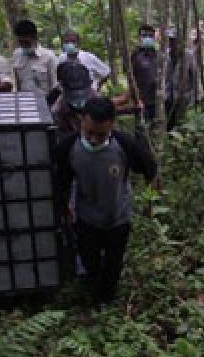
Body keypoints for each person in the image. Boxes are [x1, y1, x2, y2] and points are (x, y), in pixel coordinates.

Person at [55, 97, 158, 304]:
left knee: (113, 263)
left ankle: (105, 302)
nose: (93, 139)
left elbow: (151, 171)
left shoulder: (125, 144)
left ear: (112, 124)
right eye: (89, 132)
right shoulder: (68, 146)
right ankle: (94, 284)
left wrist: (150, 203)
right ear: (81, 121)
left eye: (100, 135)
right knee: (89, 259)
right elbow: (62, 181)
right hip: (86, 216)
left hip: (118, 216)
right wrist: (64, 206)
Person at [51, 30, 111, 135]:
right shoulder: (61, 58)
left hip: (89, 92)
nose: (70, 44)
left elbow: (106, 72)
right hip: (67, 93)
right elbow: (59, 77)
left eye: (73, 41)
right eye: (67, 42)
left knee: (100, 112)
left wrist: (97, 86)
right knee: (55, 111)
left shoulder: (89, 57)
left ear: (78, 43)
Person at [162, 26, 201, 128]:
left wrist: (197, 95)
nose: (172, 43)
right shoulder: (166, 55)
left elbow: (195, 76)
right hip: (168, 95)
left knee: (180, 122)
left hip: (183, 96)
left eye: (174, 40)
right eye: (170, 40)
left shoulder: (188, 55)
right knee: (168, 122)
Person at [9, 19, 58, 99]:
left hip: (45, 102)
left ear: (34, 37)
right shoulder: (17, 54)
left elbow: (55, 86)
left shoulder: (49, 56)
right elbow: (18, 82)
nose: (23, 46)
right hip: (24, 102)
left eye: (26, 42)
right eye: (20, 42)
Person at [130, 24, 161, 123]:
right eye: (144, 36)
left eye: (150, 36)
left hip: (157, 99)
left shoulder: (158, 54)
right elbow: (131, 77)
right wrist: (136, 97)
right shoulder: (135, 55)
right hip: (141, 99)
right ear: (140, 37)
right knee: (142, 127)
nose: (147, 38)